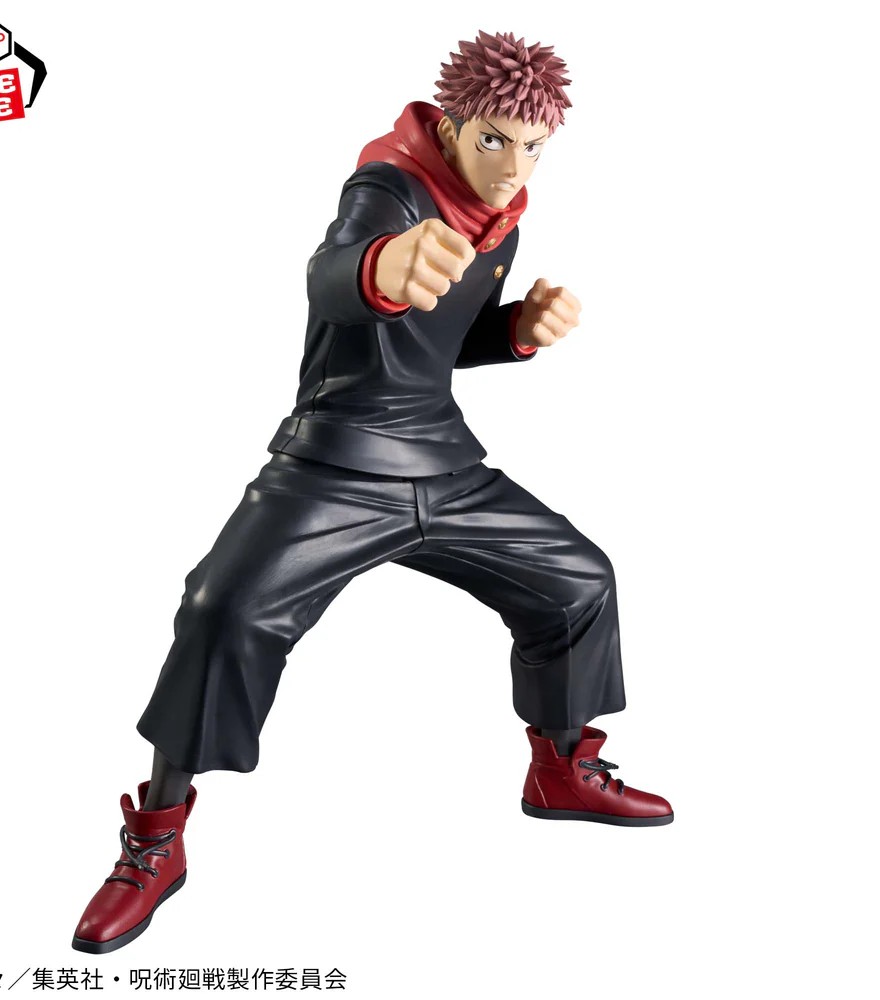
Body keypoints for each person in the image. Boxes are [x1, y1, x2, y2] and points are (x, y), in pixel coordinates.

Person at [72, 30, 673, 955]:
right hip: (338, 460)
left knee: (580, 582)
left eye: (533, 148)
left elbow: (438, 343)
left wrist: (516, 330)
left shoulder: (499, 217)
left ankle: (560, 768)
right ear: (454, 127)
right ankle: (157, 836)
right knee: (223, 611)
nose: (513, 169)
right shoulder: (387, 189)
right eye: (496, 142)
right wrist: (380, 268)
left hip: (443, 462)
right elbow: (334, 276)